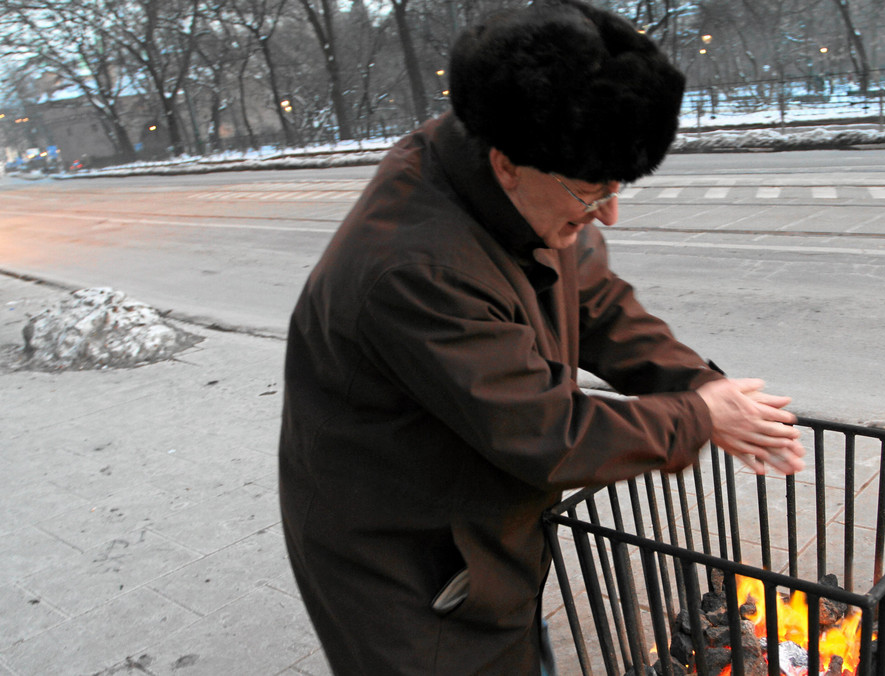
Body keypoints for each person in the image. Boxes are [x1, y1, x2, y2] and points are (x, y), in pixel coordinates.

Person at [277, 1, 806, 673]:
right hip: (401, 557)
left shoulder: (523, 161)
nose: (608, 214)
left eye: (619, 188)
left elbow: (597, 303)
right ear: (506, 164)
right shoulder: (413, 267)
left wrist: (695, 383)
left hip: (475, 534)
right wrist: (697, 420)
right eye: (592, 194)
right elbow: (545, 433)